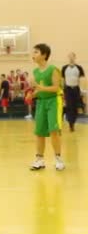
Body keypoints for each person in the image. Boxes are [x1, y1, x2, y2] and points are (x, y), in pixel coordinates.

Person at [30, 43, 64, 171]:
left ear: (44, 55)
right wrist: (33, 94)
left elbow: (56, 88)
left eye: (36, 52)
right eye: (33, 52)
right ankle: (39, 159)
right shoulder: (35, 72)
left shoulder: (53, 69)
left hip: (53, 101)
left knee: (54, 131)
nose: (33, 55)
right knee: (39, 132)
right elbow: (40, 90)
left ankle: (58, 159)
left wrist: (39, 88)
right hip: (41, 102)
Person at [61, 52, 85, 132]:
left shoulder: (79, 68)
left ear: (75, 57)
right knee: (69, 106)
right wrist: (62, 90)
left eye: (72, 56)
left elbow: (81, 79)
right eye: (70, 56)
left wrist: (81, 89)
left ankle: (73, 121)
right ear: (68, 57)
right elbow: (62, 80)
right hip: (68, 89)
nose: (71, 58)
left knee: (75, 107)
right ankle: (70, 123)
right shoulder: (64, 68)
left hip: (76, 89)